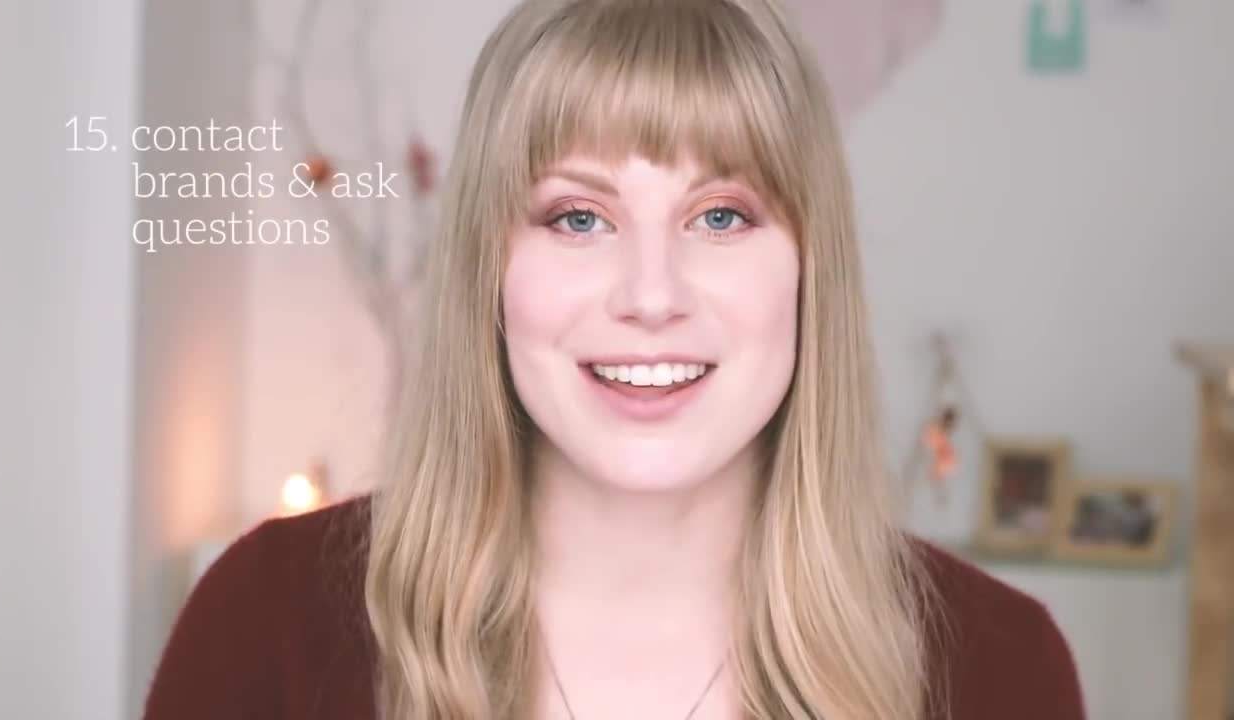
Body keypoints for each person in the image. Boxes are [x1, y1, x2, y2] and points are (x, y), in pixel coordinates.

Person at [142, 0, 1086, 718]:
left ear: (811, 272)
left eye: (721, 216)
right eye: (578, 217)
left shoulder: (999, 670)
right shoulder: (266, 624)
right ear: (489, 270)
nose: (650, 294)